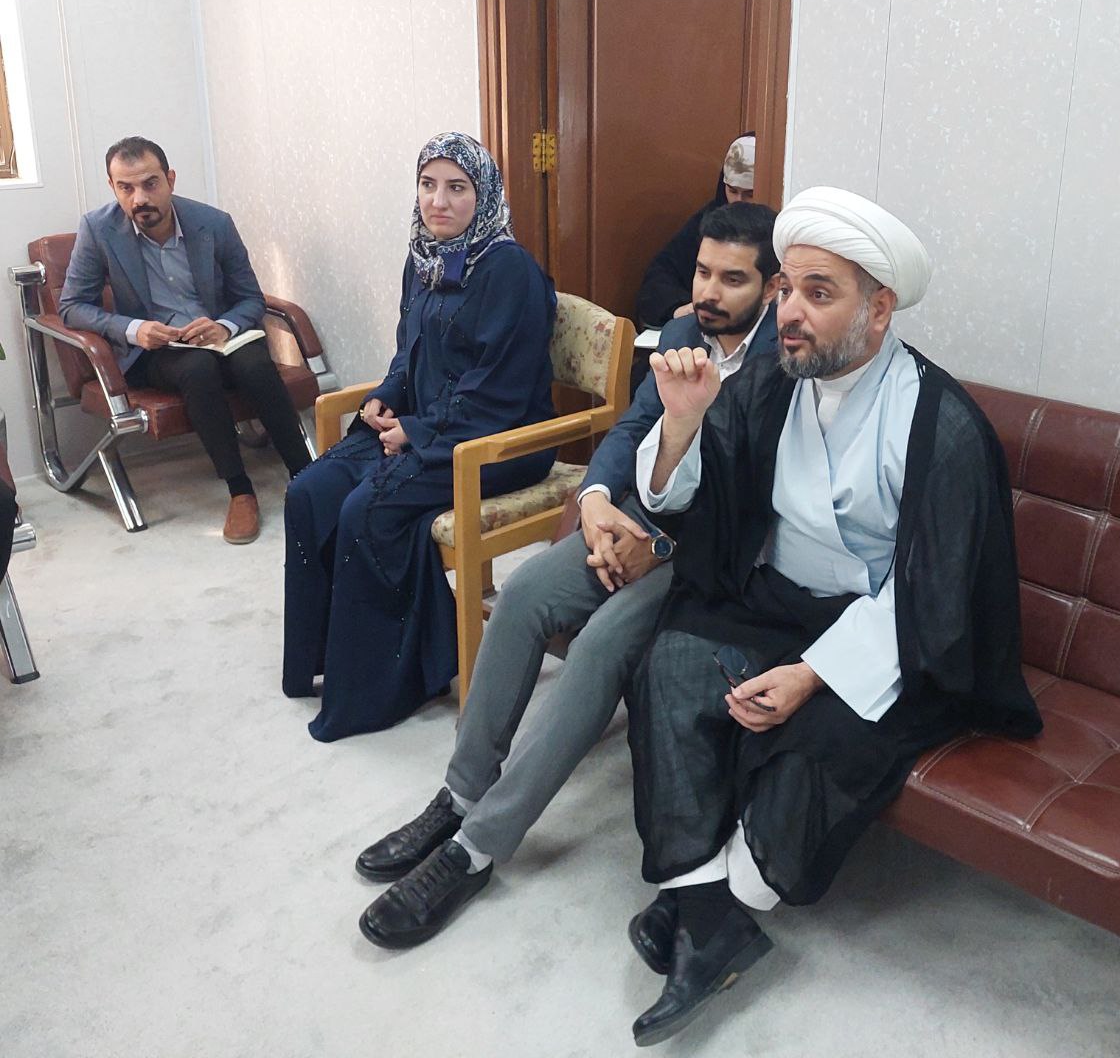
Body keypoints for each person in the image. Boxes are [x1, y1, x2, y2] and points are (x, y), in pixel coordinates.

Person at [623, 187, 1043, 1046]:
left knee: (815, 749)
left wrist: (812, 676)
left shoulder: (941, 424)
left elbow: (938, 594)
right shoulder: (767, 383)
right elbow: (688, 499)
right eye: (787, 289)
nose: (790, 313)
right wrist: (682, 423)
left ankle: (710, 903)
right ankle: (710, 915)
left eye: (819, 294)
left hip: (888, 637)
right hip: (776, 605)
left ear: (879, 309)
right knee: (669, 666)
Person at [354, 202, 782, 950]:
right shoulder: (682, 334)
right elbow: (631, 427)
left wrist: (661, 549)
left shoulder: (789, 368)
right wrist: (595, 503)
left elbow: (766, 511)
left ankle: (477, 847)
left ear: (773, 288)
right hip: (635, 517)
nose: (709, 292)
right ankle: (459, 794)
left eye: (733, 279)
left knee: (600, 645)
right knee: (524, 593)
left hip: (710, 559)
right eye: (702, 272)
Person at [281, 133, 556, 743]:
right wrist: (387, 396)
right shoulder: (424, 258)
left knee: (366, 508)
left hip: (503, 440)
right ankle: (322, 658)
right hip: (426, 424)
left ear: (484, 195)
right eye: (428, 185)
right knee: (309, 492)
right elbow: (410, 350)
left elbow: (502, 389)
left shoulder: (509, 270)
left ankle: (390, 685)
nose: (438, 201)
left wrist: (419, 430)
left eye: (457, 188)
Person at [59, 136, 313, 544]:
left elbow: (250, 298)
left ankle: (307, 477)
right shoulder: (98, 229)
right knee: (198, 367)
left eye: (150, 184)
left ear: (170, 179)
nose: (140, 198)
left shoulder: (213, 223)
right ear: (112, 187)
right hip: (160, 349)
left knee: (254, 363)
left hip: (222, 336)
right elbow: (72, 306)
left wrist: (224, 325)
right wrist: (134, 328)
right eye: (126, 188)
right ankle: (240, 491)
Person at [635, 133, 755, 327]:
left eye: (750, 194)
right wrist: (677, 309)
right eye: (732, 191)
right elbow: (660, 275)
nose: (738, 202)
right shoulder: (707, 221)